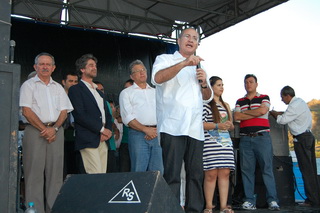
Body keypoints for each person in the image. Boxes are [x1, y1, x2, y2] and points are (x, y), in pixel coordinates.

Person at [151, 27, 213, 212]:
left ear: (197, 44)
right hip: (172, 126)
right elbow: (157, 78)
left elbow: (207, 96)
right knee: (172, 175)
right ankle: (171, 209)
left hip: (195, 129)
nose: (191, 40)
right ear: (179, 40)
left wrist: (204, 83)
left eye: (195, 38)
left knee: (195, 175)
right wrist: (184, 64)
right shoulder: (165, 59)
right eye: (187, 36)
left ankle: (194, 210)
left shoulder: (200, 67)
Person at [19, 52, 73, 213]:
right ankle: (34, 210)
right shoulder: (28, 85)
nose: (44, 67)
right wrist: (45, 130)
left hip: (56, 132)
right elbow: (26, 111)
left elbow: (64, 111)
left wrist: (54, 128)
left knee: (55, 175)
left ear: (53, 68)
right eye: (41, 64)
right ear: (35, 67)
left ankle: (53, 209)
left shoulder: (58, 87)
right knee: (33, 174)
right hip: (35, 131)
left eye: (48, 64)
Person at [233, 74, 280, 211]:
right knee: (247, 171)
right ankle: (249, 200)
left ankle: (272, 200)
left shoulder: (264, 97)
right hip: (245, 139)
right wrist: (256, 112)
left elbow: (263, 110)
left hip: (262, 138)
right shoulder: (239, 100)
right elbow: (237, 116)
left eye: (251, 82)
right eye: (246, 82)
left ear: (256, 84)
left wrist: (246, 113)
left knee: (267, 169)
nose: (248, 84)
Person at [270, 86, 320, 207]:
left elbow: (282, 120)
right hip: (308, 137)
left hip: (301, 139)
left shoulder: (293, 106)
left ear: (288, 96)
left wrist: (274, 113)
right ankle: (314, 198)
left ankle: (312, 201)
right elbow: (289, 115)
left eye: (282, 97)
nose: (282, 100)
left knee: (306, 170)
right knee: (311, 169)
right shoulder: (300, 102)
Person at [68, 54, 113, 174]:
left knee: (102, 175)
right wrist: (101, 129)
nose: (95, 68)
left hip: (103, 139)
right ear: (82, 69)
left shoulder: (98, 92)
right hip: (88, 138)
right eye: (91, 65)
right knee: (94, 174)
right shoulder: (75, 89)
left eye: (95, 65)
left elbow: (107, 114)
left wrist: (107, 130)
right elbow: (80, 115)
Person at [119, 59, 163, 174]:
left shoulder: (156, 91)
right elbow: (127, 117)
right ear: (132, 76)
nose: (142, 73)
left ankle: (155, 193)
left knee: (158, 172)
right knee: (139, 171)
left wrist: (154, 130)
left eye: (143, 70)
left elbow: (163, 112)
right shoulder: (126, 93)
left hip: (156, 133)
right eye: (137, 71)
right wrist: (145, 129)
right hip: (138, 134)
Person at [203, 76, 235, 213]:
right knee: (211, 174)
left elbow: (232, 126)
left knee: (225, 173)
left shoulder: (226, 105)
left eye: (222, 85)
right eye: (218, 85)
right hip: (210, 142)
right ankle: (209, 206)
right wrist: (217, 125)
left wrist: (228, 125)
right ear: (211, 87)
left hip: (226, 143)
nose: (221, 87)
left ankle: (223, 206)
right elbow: (201, 124)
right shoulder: (204, 104)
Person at [61, 71, 79, 177]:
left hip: (76, 137)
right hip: (61, 135)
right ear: (64, 82)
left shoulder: (79, 97)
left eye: (76, 81)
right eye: (70, 81)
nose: (73, 83)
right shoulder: (58, 95)